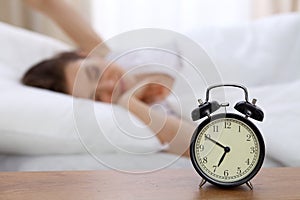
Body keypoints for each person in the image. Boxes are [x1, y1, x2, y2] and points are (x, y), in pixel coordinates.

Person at [23, 0, 195, 157]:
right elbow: (201, 147)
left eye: (94, 73)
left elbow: (48, 4)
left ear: (87, 55)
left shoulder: (111, 57)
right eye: (97, 96)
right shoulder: (145, 114)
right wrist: (130, 102)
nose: (110, 85)